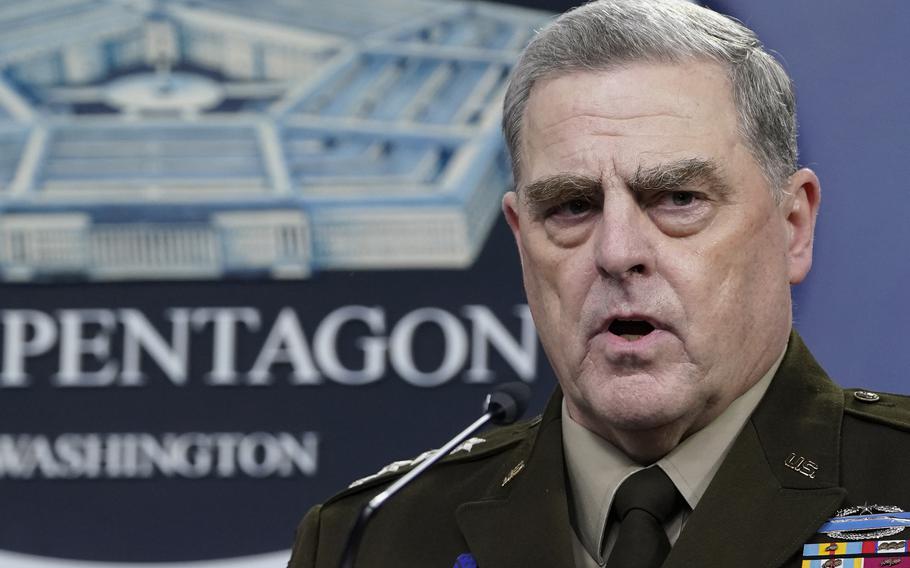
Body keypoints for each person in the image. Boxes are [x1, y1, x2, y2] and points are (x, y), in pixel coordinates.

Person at [288, 1, 910, 566]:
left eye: (677, 198)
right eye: (571, 207)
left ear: (792, 226)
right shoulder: (372, 540)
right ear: (520, 240)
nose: (617, 253)